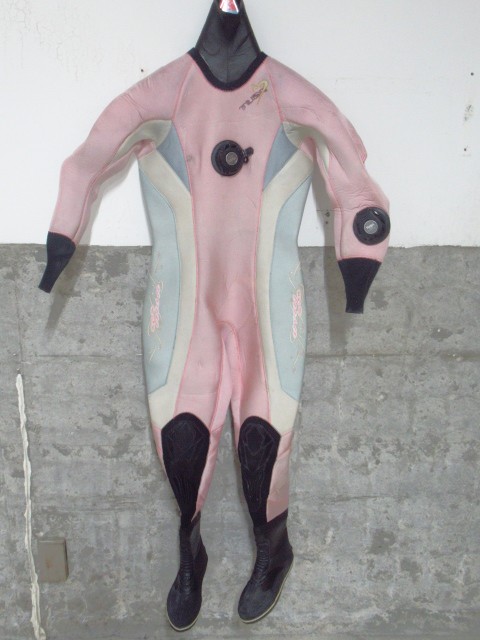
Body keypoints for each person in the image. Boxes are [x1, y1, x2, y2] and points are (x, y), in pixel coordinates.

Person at [39, 0, 390, 630]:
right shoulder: (163, 92)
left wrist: (358, 260)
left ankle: (273, 550)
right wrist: (62, 240)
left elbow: (352, 167)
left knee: (265, 435)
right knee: (179, 435)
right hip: (184, 298)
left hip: (267, 296)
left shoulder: (288, 93)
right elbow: (88, 159)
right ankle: (190, 548)